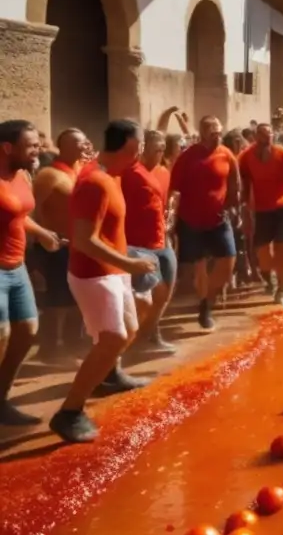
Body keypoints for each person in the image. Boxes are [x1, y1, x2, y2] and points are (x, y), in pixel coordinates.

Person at [51, 120, 158, 443]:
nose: (141, 151)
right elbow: (83, 239)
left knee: (129, 329)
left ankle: (109, 375)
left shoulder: (112, 174)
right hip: (94, 274)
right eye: (139, 145)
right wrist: (129, 263)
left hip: (114, 270)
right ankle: (69, 412)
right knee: (111, 338)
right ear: (129, 145)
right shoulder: (95, 182)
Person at [0, 120, 62, 425]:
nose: (37, 150)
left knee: (27, 331)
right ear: (7, 148)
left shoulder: (22, 174)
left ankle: (1, 399)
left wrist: (43, 233)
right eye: (31, 145)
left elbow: (19, 214)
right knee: (2, 334)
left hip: (17, 267)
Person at [170, 116, 239, 330]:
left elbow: (235, 183)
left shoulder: (226, 154)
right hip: (192, 220)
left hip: (219, 218)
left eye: (219, 132)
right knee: (199, 268)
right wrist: (172, 215)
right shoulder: (187, 157)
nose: (218, 137)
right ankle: (204, 308)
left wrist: (234, 206)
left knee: (228, 262)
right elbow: (174, 189)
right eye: (213, 133)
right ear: (202, 134)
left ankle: (208, 300)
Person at [31, 127, 88, 362]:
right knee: (58, 300)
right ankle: (51, 349)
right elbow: (30, 212)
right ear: (62, 147)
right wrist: (40, 240)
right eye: (78, 143)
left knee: (77, 299)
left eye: (85, 142)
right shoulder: (49, 175)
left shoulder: (82, 171)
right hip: (54, 247)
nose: (84, 146)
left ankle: (73, 345)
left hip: (79, 246)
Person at [121, 130, 177, 353]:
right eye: (156, 149)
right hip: (138, 243)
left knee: (165, 293)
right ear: (143, 149)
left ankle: (151, 333)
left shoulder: (163, 172)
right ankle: (130, 341)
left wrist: (168, 223)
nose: (160, 153)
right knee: (147, 295)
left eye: (163, 149)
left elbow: (164, 203)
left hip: (162, 239)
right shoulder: (129, 173)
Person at [239, 123, 283, 304]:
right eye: (262, 136)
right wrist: (244, 206)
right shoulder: (246, 158)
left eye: (269, 136)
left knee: (282, 245)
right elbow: (243, 182)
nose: (266, 140)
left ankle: (282, 289)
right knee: (263, 254)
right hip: (261, 209)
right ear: (255, 137)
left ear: (273, 137)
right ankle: (270, 280)